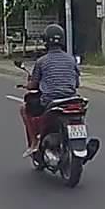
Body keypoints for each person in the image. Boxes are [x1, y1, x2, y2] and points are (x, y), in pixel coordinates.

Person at [20, 23, 80, 158]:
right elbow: (76, 83)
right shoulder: (71, 60)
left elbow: (33, 85)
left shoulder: (42, 61)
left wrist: (27, 85)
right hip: (72, 99)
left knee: (24, 108)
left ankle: (34, 142)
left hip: (50, 101)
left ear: (46, 41)